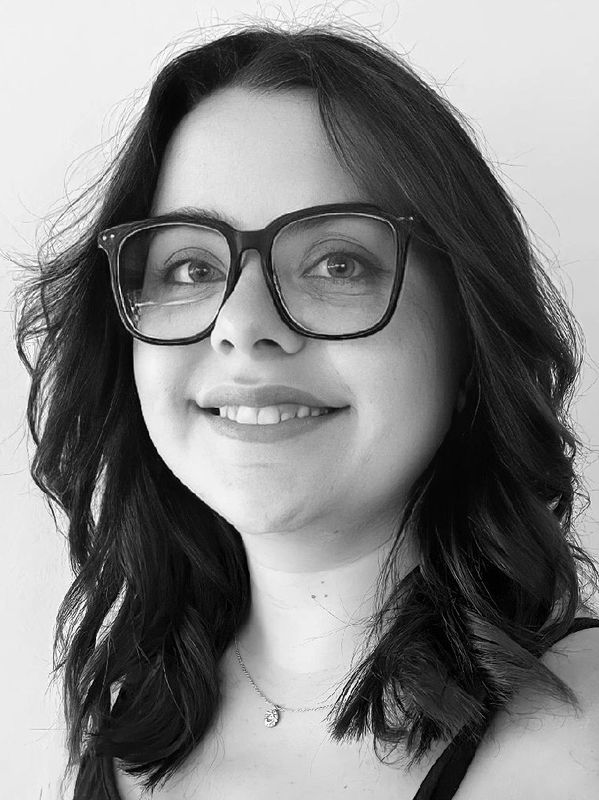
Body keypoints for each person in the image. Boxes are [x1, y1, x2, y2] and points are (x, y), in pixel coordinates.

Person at [14, 20, 599, 800]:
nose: (241, 324)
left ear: (468, 336)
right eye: (190, 266)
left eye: (336, 263)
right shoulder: (122, 732)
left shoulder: (580, 741)